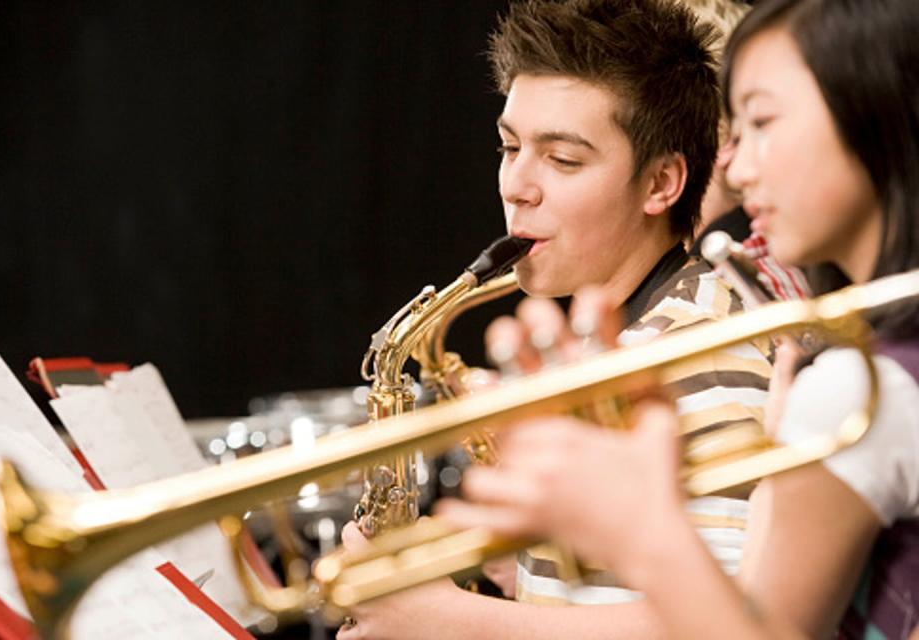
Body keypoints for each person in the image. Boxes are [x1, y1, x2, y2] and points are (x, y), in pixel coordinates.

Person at [440, 0, 919, 638]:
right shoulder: (847, 368)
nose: (741, 171)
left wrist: (449, 620)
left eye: (764, 123)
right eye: (508, 147)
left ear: (875, 116)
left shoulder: (844, 384)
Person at [337, 1, 772, 638]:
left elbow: (730, 627)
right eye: (510, 146)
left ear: (661, 184)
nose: (516, 185)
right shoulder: (636, 336)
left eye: (562, 160)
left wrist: (445, 620)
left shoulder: (700, 359)